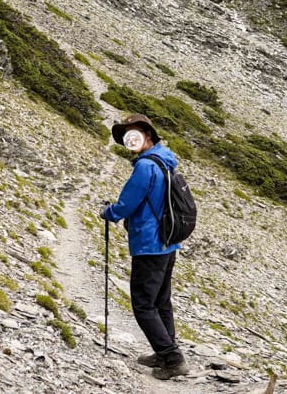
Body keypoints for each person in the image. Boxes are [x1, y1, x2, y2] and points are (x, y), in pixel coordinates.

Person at [99, 114, 190, 380]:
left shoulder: (145, 166)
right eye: (127, 135)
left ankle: (173, 359)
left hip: (149, 243)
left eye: (135, 133)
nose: (131, 139)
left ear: (148, 135)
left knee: (143, 304)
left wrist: (109, 212)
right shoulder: (164, 160)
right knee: (161, 301)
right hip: (167, 242)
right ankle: (164, 351)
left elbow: (128, 203)